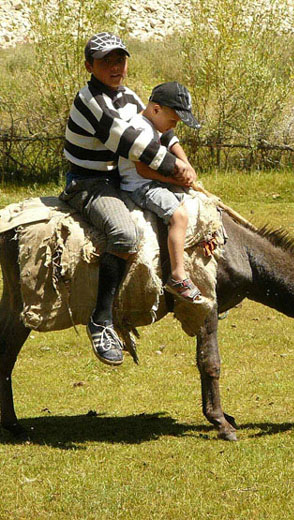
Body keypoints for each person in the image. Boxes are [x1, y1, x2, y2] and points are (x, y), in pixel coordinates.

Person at [59, 32, 196, 366]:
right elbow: (131, 143)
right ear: (89, 65)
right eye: (107, 61)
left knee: (184, 211)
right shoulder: (92, 101)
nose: (115, 66)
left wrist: (184, 160)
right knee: (124, 233)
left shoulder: (127, 95)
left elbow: (161, 128)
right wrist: (176, 168)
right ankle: (101, 321)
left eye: (120, 59)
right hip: (90, 183)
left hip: (118, 178)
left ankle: (179, 284)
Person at [118, 81, 205, 305]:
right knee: (179, 216)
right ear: (156, 109)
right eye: (172, 120)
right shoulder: (140, 129)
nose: (173, 126)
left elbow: (170, 139)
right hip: (140, 186)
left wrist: (185, 167)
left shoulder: (152, 122)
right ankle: (178, 276)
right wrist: (174, 178)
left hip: (150, 179)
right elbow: (142, 170)